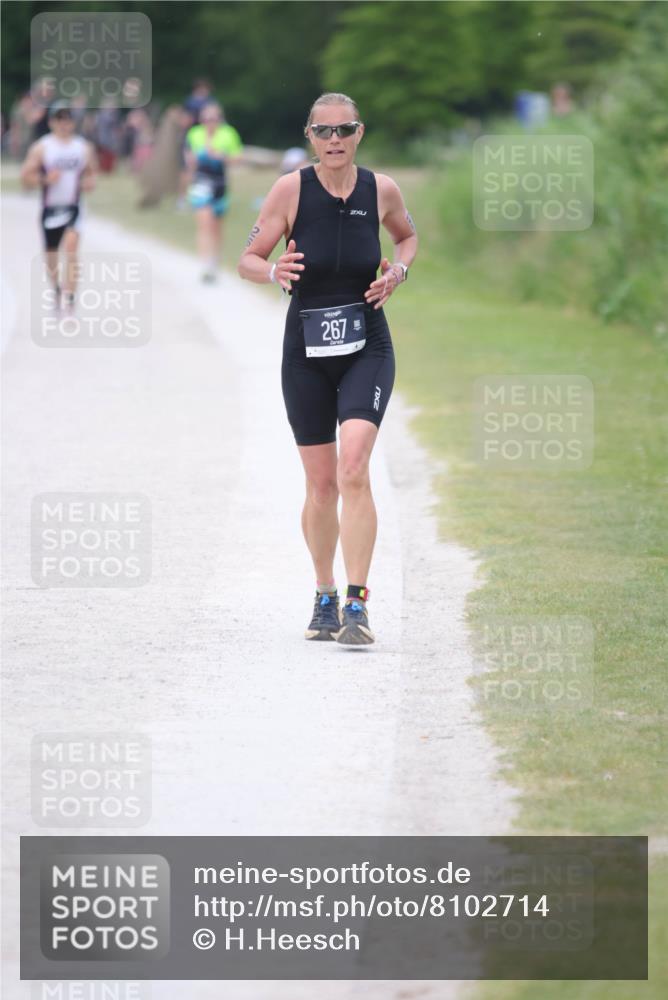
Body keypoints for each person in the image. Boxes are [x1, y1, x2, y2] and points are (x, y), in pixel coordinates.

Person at [239, 92, 418, 646]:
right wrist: (273, 271)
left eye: (345, 130)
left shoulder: (381, 189)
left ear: (359, 133)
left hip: (368, 346)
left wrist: (399, 273)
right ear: (310, 136)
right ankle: (324, 594)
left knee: (354, 468)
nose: (334, 140)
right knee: (321, 485)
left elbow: (407, 237)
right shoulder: (289, 190)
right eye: (324, 132)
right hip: (306, 354)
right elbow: (247, 259)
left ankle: (357, 603)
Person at [20, 100, 97, 313]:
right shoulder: (42, 148)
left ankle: (70, 298)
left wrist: (88, 183)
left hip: (74, 206)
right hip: (51, 207)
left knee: (71, 248)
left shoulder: (83, 148)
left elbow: (91, 174)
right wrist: (45, 179)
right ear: (51, 122)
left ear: (73, 122)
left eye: (68, 119)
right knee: (51, 255)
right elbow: (25, 177)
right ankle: (56, 289)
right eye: (59, 119)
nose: (64, 123)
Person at [185, 100, 243, 282]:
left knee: (216, 226)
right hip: (200, 183)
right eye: (206, 118)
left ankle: (214, 260)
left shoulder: (229, 133)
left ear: (220, 119)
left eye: (214, 118)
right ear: (201, 119)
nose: (210, 122)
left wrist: (221, 157)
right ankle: (205, 265)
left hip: (220, 183)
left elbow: (238, 158)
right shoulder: (194, 134)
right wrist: (195, 159)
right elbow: (188, 159)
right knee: (204, 222)